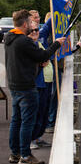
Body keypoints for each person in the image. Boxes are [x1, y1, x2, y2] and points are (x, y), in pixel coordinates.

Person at [4, 9, 66, 164]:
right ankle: (25, 155)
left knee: (16, 120)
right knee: (27, 122)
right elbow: (42, 55)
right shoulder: (23, 41)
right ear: (25, 24)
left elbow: (24, 60)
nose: (32, 26)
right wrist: (57, 44)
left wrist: (36, 64)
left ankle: (15, 152)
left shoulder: (9, 37)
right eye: (30, 23)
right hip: (26, 87)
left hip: (14, 85)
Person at [27, 22, 53, 150]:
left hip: (47, 81)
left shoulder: (40, 42)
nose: (35, 32)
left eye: (37, 30)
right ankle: (31, 138)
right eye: (32, 31)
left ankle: (38, 136)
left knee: (44, 111)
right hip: (37, 83)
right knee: (35, 113)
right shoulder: (29, 45)